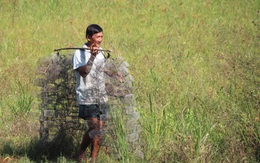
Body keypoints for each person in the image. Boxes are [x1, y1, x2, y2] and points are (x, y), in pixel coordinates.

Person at [72, 24, 108, 162]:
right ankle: (81, 151)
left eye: (102, 36)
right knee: (95, 130)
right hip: (87, 97)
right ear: (88, 37)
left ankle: (93, 160)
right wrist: (92, 56)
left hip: (101, 97)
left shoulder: (101, 52)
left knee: (98, 133)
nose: (100, 40)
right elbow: (84, 72)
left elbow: (100, 70)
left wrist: (112, 73)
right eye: (97, 37)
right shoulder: (79, 53)